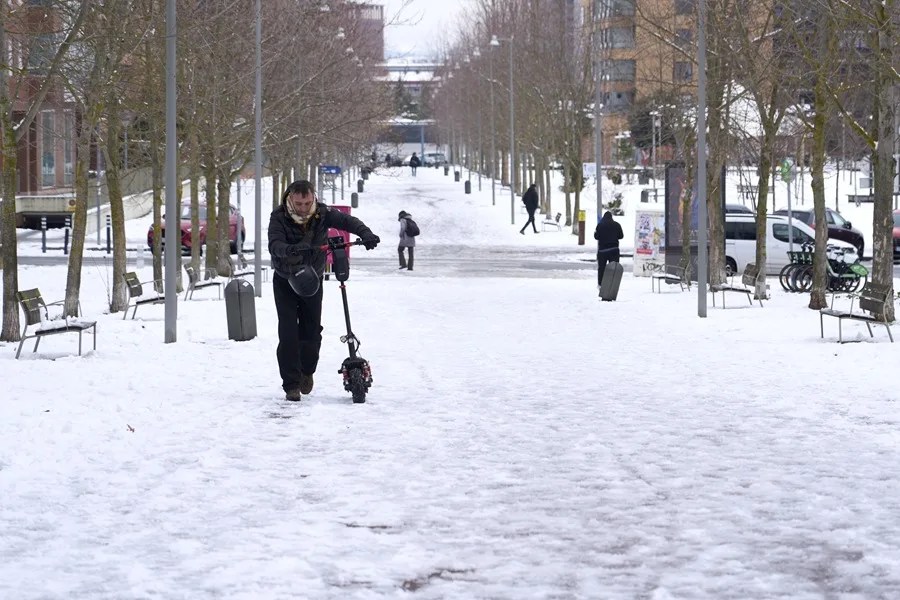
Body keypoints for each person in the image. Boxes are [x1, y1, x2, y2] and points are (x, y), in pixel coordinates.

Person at [268, 180, 380, 401]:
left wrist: (366, 233)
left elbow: (348, 221)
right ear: (290, 198)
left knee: (311, 331)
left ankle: (307, 371)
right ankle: (291, 384)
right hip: (285, 279)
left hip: (313, 279)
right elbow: (275, 244)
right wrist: (290, 249)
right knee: (288, 333)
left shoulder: (322, 213)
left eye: (307, 203)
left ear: (313, 198)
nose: (303, 208)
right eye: (298, 204)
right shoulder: (279, 216)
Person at [594, 210, 624, 292]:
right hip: (614, 250)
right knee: (614, 268)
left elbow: (596, 236)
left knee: (601, 268)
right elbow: (621, 236)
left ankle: (601, 284)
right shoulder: (617, 225)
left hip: (602, 251)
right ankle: (613, 284)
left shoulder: (600, 225)